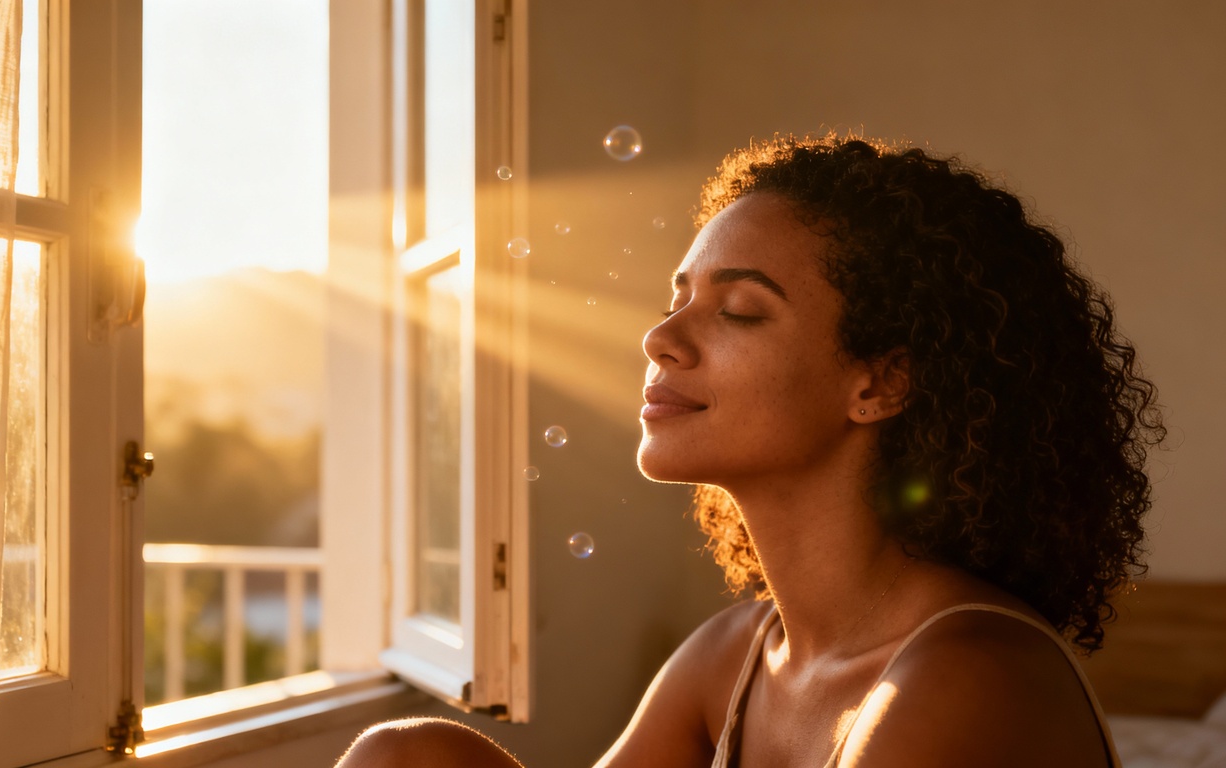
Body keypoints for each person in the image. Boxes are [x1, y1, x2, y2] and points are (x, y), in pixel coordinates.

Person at [335, 134, 1163, 767]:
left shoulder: (969, 679)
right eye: (678, 299)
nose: (660, 338)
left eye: (737, 310)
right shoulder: (734, 655)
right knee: (405, 754)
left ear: (880, 383)